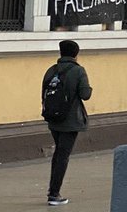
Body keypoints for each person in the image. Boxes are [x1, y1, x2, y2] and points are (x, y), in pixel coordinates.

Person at [42, 39, 92, 207]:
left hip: (53, 118)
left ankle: (52, 190)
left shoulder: (51, 70)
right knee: (63, 155)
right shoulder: (78, 71)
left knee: (58, 154)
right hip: (70, 120)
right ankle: (54, 194)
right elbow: (85, 94)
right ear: (76, 54)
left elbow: (44, 91)